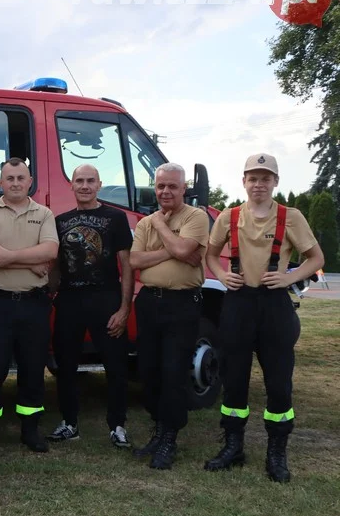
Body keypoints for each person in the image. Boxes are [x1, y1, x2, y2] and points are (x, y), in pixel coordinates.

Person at [203, 153, 323, 483]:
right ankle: (233, 446)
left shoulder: (291, 216)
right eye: (253, 178)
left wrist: (289, 277)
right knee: (234, 379)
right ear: (244, 181)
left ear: (275, 182)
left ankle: (276, 452)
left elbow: (316, 257)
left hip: (274, 307)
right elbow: (211, 254)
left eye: (265, 178)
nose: (259, 184)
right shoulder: (230, 216)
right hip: (238, 305)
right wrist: (222, 276)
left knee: (279, 384)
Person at [0, 158, 59, 458]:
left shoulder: (44, 214)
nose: (15, 183)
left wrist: (10, 256)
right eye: (9, 178)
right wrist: (31, 261)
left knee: (33, 368)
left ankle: (30, 430)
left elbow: (50, 250)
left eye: (21, 177)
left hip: (34, 305)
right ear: (0, 183)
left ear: (30, 180)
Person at [129, 162, 208, 470]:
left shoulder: (196, 217)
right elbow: (135, 260)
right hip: (149, 302)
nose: (165, 191)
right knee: (149, 371)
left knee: (174, 372)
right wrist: (172, 251)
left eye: (172, 186)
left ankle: (170, 438)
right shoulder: (144, 222)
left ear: (183, 188)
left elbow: (187, 247)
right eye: (160, 186)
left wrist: (161, 228)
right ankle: (159, 429)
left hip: (182, 304)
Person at [48, 164, 134, 447]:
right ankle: (69, 423)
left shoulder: (116, 217)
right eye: (79, 181)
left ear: (99, 185)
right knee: (66, 365)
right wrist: (50, 293)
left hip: (106, 299)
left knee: (115, 365)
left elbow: (127, 265)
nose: (84, 186)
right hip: (70, 300)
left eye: (90, 181)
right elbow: (56, 267)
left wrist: (124, 310)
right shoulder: (59, 221)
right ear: (71, 185)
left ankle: (117, 425)